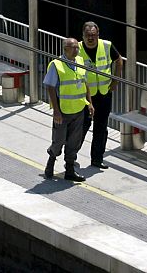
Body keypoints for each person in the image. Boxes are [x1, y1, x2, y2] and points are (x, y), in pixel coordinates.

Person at [44, 38, 94, 182]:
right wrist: (56, 110)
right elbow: (50, 87)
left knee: (74, 142)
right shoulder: (57, 64)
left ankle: (70, 171)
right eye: (73, 48)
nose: (76, 50)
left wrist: (89, 103)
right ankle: (51, 162)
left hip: (78, 109)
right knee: (58, 140)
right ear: (65, 49)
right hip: (63, 110)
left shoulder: (80, 61)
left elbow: (85, 83)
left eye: (77, 47)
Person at [78, 21, 123, 170]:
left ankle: (97, 159)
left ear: (98, 35)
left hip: (104, 94)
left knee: (101, 127)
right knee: (82, 126)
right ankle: (71, 156)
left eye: (93, 35)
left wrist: (115, 81)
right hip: (85, 96)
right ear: (83, 36)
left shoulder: (106, 45)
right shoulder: (77, 48)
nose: (90, 38)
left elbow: (119, 60)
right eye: (87, 35)